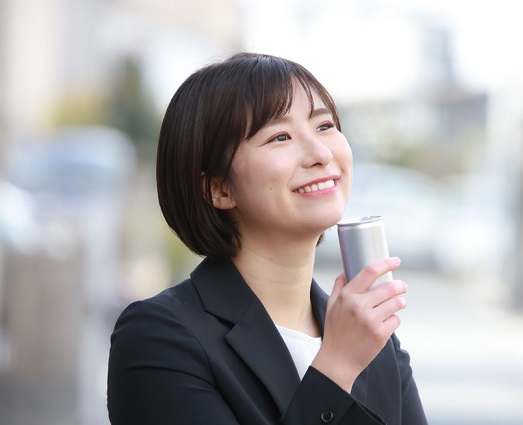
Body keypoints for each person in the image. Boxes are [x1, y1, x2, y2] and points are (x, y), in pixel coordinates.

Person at [107, 52, 428, 425]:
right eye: (280, 136)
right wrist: (337, 366)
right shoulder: (160, 337)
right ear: (218, 188)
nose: (321, 154)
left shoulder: (376, 342)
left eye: (324, 126)